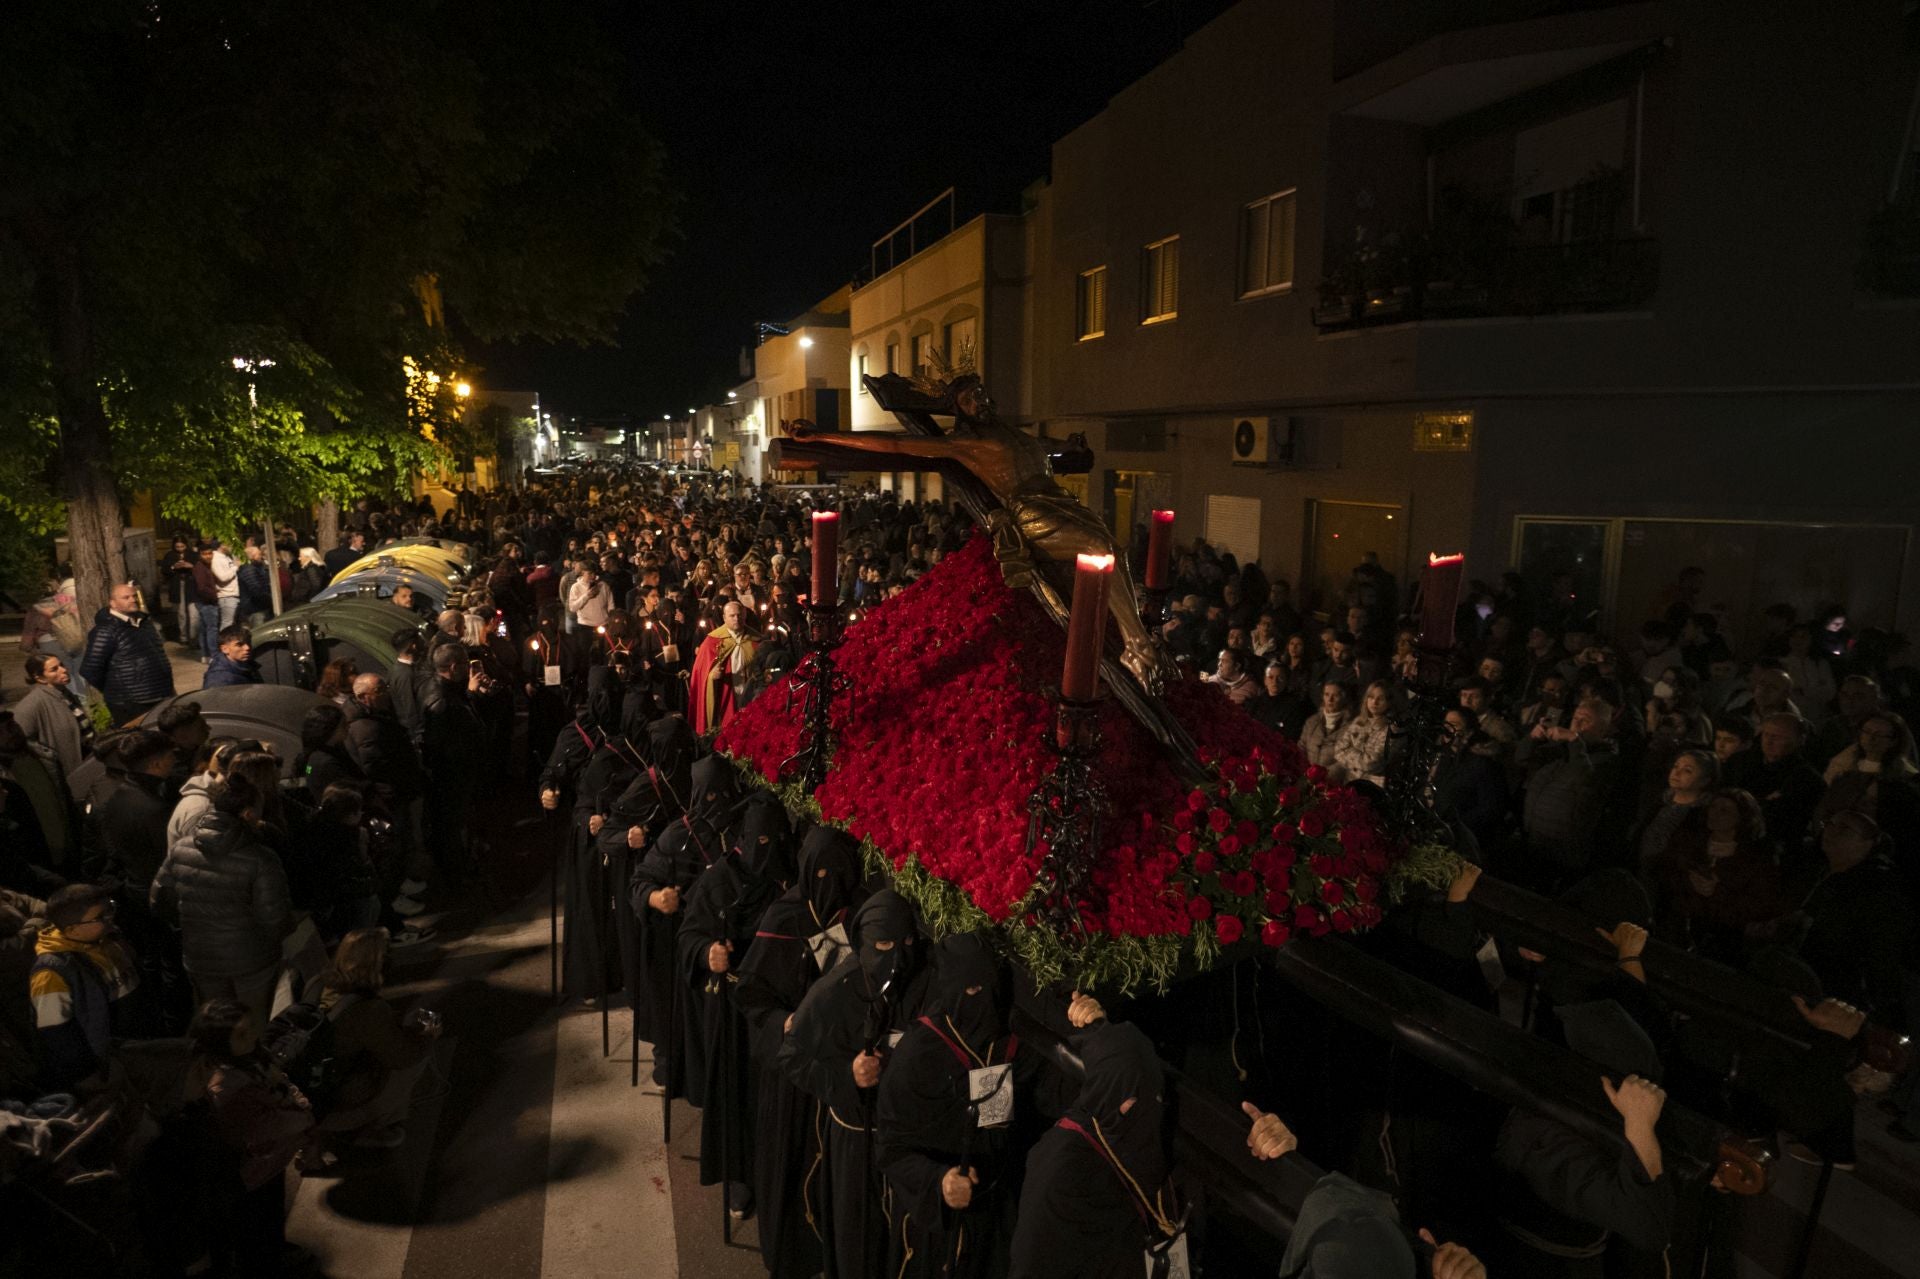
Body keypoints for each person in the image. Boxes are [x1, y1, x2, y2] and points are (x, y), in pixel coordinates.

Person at [732, 826, 866, 1279]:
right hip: (793, 1074)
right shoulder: (785, 918)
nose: (828, 883)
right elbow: (749, 993)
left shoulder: (860, 918)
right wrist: (782, 1024)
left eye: (838, 874)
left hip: (841, 1068)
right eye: (820, 873)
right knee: (792, 1166)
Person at [779, 889, 934, 1279]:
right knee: (858, 1237)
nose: (896, 958)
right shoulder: (836, 988)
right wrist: (848, 1075)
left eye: (906, 944)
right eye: (883, 945)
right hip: (856, 1139)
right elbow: (791, 1057)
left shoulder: (921, 975)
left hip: (905, 1134)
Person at [676, 790, 793, 1219]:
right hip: (730, 1006)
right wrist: (709, 953)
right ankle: (739, 1175)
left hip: (775, 1005)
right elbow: (687, 936)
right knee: (735, 1091)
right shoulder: (718, 881)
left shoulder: (786, 877)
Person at [1008, 1021, 1186, 1279]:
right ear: (1107, 1090)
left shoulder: (1137, 1137)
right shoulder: (1060, 1171)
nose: (1147, 1107)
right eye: (1133, 1097)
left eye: (1153, 1096)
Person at [152, 770, 294, 1032]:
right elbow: (275, 920)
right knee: (252, 1023)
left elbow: (160, 899)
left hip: (200, 955)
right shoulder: (261, 858)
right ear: (249, 813)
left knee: (215, 1023)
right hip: (252, 959)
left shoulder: (181, 848)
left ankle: (215, 1066)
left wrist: (191, 926)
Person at [193, 997, 314, 1274]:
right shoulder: (224, 1087)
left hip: (270, 1161)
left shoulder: (250, 1057)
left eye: (251, 1028)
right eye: (241, 1034)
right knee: (254, 1225)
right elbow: (262, 1126)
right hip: (251, 1171)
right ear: (219, 1041)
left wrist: (297, 1101)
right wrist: (303, 1116)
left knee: (271, 1214)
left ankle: (276, 1248)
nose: (252, 1036)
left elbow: (280, 1081)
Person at [300, 928, 442, 1163]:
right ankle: (371, 1125)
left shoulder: (317, 982)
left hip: (309, 1086)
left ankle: (332, 1128)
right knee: (414, 1059)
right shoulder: (367, 1009)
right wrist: (428, 1036)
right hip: (336, 1098)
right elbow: (404, 1056)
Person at [29, 883, 140, 1091]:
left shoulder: (105, 937)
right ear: (72, 929)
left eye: (110, 909)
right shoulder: (51, 973)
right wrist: (88, 1075)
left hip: (131, 1047)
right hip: (106, 1065)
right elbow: (58, 1034)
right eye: (100, 917)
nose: (110, 918)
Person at [77, 581, 176, 725]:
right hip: (130, 703)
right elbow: (90, 669)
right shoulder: (106, 630)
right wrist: (117, 689)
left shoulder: (144, 622)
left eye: (134, 596)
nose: (133, 600)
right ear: (113, 603)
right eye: (126, 597)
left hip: (161, 694)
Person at [13, 653, 95, 788]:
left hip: (88, 759)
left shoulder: (64, 693)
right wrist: (48, 757)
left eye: (61, 665)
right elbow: (19, 739)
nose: (63, 670)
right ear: (39, 678)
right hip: (69, 773)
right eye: (54, 669)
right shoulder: (33, 704)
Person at [689, 599, 758, 737]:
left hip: (750, 694)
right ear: (724, 617)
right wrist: (711, 676)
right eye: (732, 616)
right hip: (726, 696)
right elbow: (700, 674)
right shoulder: (711, 641)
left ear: (745, 616)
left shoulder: (755, 638)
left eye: (739, 615)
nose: (736, 619)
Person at [1330, 679, 1393, 785]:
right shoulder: (1359, 721)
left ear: (1389, 702)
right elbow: (1338, 750)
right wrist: (1361, 757)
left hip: (1373, 786)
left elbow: (1372, 763)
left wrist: (1349, 753)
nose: (1374, 702)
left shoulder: (1391, 729)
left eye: (1380, 699)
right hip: (1350, 781)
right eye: (1371, 697)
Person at [1300, 681, 1352, 773]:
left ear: (1343, 698)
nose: (1330, 699)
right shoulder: (1312, 722)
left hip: (1334, 780)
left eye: (1335, 695)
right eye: (1327, 694)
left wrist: (1325, 774)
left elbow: (1347, 758)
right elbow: (1301, 747)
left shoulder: (1351, 726)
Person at [202, 623, 261, 688]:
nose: (247, 647)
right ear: (225, 649)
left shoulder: (246, 664)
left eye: (248, 642)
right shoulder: (219, 680)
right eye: (239, 645)